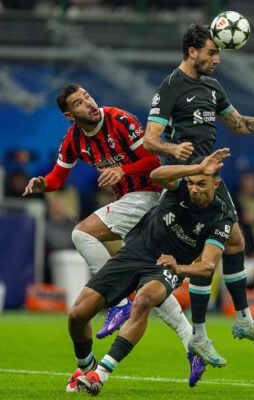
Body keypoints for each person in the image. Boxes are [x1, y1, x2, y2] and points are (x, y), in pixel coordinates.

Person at [143, 22, 254, 366]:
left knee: (234, 242)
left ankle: (232, 323)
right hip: (188, 181)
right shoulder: (171, 86)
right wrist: (175, 149)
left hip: (210, 176)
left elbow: (240, 124)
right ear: (192, 52)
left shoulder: (213, 88)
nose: (218, 59)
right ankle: (216, 327)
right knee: (216, 248)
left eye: (218, 53)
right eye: (212, 52)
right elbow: (150, 139)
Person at [22, 84, 203, 386]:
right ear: (70, 115)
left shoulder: (119, 120)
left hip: (148, 196)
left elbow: (153, 162)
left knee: (81, 234)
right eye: (79, 103)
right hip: (130, 207)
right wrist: (43, 184)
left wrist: (123, 171)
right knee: (150, 281)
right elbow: (57, 176)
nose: (89, 104)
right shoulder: (74, 139)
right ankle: (192, 344)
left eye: (88, 97)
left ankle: (118, 304)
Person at [67, 149, 233, 396]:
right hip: (134, 252)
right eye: (191, 183)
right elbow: (156, 174)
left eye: (202, 184)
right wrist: (195, 170)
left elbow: (208, 266)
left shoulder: (221, 216)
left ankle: (99, 375)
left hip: (166, 266)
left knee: (144, 299)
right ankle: (86, 366)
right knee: (77, 315)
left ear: (216, 184)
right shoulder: (178, 186)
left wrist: (179, 268)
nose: (194, 189)